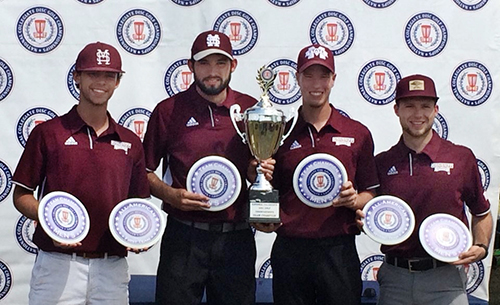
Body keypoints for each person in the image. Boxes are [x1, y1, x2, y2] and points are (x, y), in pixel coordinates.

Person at [12, 41, 150, 304]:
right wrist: (51, 219)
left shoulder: (130, 141)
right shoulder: (48, 133)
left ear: (118, 81)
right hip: (57, 265)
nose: (101, 82)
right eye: (92, 73)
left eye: (109, 75)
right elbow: (21, 195)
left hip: (112, 267)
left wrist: (139, 234)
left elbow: (138, 205)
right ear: (76, 77)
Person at [252, 43, 380, 305]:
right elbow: (266, 185)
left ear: (333, 79)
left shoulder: (357, 133)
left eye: (323, 75)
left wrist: (353, 200)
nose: (316, 83)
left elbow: (371, 192)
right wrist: (261, 217)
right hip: (291, 250)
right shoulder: (278, 132)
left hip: (338, 250)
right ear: (297, 79)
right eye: (309, 75)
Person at [142, 30, 258, 305]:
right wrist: (170, 195)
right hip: (184, 237)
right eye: (204, 63)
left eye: (220, 62)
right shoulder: (168, 111)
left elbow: (265, 172)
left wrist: (258, 174)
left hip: (236, 237)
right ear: (191, 66)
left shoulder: (252, 109)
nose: (212, 71)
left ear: (233, 65)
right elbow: (143, 172)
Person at [363, 74, 493, 305]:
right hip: (395, 279)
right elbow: (367, 211)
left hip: (446, 280)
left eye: (425, 106)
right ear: (396, 110)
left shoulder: (461, 158)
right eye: (409, 106)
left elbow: (481, 213)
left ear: (436, 110)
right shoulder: (381, 163)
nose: (418, 114)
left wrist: (481, 246)